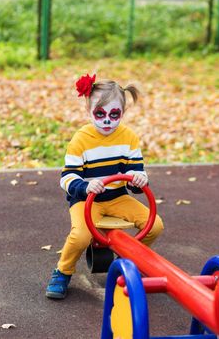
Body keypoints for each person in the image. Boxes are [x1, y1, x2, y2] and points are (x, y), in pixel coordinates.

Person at [46, 74, 164, 299]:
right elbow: (67, 177)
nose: (107, 121)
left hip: (117, 196)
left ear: (123, 112)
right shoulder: (81, 139)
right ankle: (63, 271)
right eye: (99, 114)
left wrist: (139, 180)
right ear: (88, 111)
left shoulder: (129, 137)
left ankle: (128, 260)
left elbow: (136, 172)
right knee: (80, 235)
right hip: (86, 199)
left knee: (155, 225)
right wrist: (85, 187)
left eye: (114, 114)